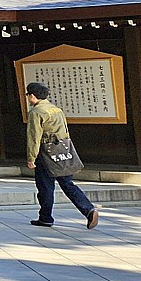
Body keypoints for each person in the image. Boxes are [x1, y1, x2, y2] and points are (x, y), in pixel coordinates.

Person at [26, 82, 99, 229]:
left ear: (32, 96)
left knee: (45, 187)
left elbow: (34, 137)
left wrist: (31, 157)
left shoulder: (36, 112)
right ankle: (88, 209)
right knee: (67, 184)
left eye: (28, 95)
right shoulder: (56, 109)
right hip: (61, 151)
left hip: (45, 153)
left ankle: (45, 217)